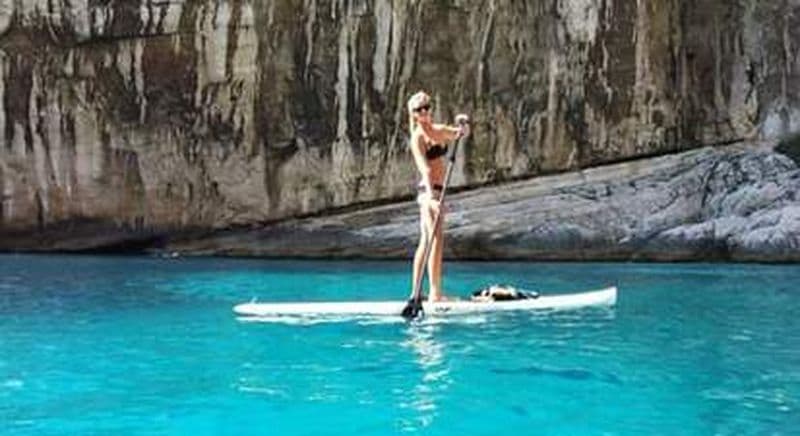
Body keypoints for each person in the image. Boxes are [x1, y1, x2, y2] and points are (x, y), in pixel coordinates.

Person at [407, 91, 469, 302]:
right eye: (419, 110)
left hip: (439, 190)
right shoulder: (417, 138)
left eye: (427, 107)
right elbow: (424, 169)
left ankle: (417, 293)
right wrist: (432, 198)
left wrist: (462, 128)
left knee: (428, 240)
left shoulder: (438, 130)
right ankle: (434, 294)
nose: (424, 112)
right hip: (428, 191)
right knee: (435, 239)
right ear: (414, 114)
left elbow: (457, 134)